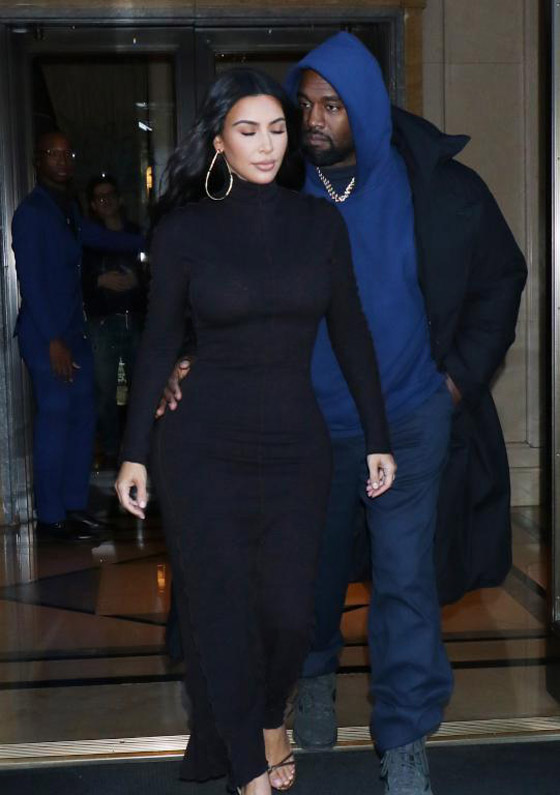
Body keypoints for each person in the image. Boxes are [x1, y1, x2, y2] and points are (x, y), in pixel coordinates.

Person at [160, 33, 527, 795]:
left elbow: (502, 277)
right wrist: (188, 358)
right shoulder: (277, 180)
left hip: (411, 416)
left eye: (331, 106)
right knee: (304, 582)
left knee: (404, 580)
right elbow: (211, 287)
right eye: (304, 106)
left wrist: (456, 382)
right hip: (300, 426)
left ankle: (404, 737)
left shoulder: (439, 187)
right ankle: (314, 680)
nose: (311, 122)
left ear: (365, 107)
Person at [115, 68, 396, 795]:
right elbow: (157, 342)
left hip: (296, 446)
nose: (267, 145)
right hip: (201, 446)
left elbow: (352, 332)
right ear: (219, 143)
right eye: (248, 131)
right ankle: (248, 767)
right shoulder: (184, 231)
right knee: (222, 609)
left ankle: (270, 716)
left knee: (290, 614)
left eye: (277, 129)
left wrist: (378, 434)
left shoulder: (319, 225)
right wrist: (133, 452)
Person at [12, 131, 143, 541]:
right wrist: (53, 339)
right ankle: (51, 518)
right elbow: (31, 281)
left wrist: (155, 239)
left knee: (84, 416)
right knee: (55, 418)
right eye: (52, 154)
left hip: (74, 331)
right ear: (38, 160)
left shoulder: (67, 208)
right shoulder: (31, 212)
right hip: (46, 334)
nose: (62, 159)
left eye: (67, 153)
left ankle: (73, 505)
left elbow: (101, 237)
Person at [82, 175, 147, 468]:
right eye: (100, 197)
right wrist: (99, 280)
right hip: (102, 324)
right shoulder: (88, 240)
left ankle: (137, 452)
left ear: (120, 199)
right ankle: (110, 452)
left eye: (110, 195)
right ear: (93, 205)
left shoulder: (137, 234)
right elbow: (77, 280)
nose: (106, 200)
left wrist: (137, 280)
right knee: (105, 393)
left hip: (135, 321)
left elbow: (155, 274)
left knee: (140, 390)